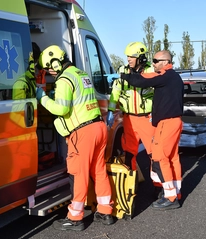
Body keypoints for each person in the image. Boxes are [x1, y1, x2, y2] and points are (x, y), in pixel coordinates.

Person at [36, 45, 114, 231]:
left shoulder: (64, 80)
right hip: (98, 126)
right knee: (99, 170)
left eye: (49, 69)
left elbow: (61, 109)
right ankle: (105, 211)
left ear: (55, 63)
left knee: (79, 174)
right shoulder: (80, 73)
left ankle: (75, 217)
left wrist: (42, 97)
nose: (50, 73)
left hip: (83, 132)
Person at [120, 50, 184, 210]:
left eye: (155, 61)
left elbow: (142, 81)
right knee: (172, 158)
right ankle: (176, 192)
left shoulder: (165, 75)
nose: (153, 63)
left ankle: (170, 197)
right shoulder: (172, 76)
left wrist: (124, 77)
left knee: (159, 157)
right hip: (174, 121)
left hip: (167, 123)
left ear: (165, 62)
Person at [107, 42, 162, 195]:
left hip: (147, 118)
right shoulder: (122, 70)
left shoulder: (152, 71)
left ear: (141, 58)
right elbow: (116, 91)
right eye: (128, 56)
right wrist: (111, 110)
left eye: (132, 56)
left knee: (154, 154)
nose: (128, 59)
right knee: (129, 153)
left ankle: (158, 186)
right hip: (129, 119)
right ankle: (130, 185)